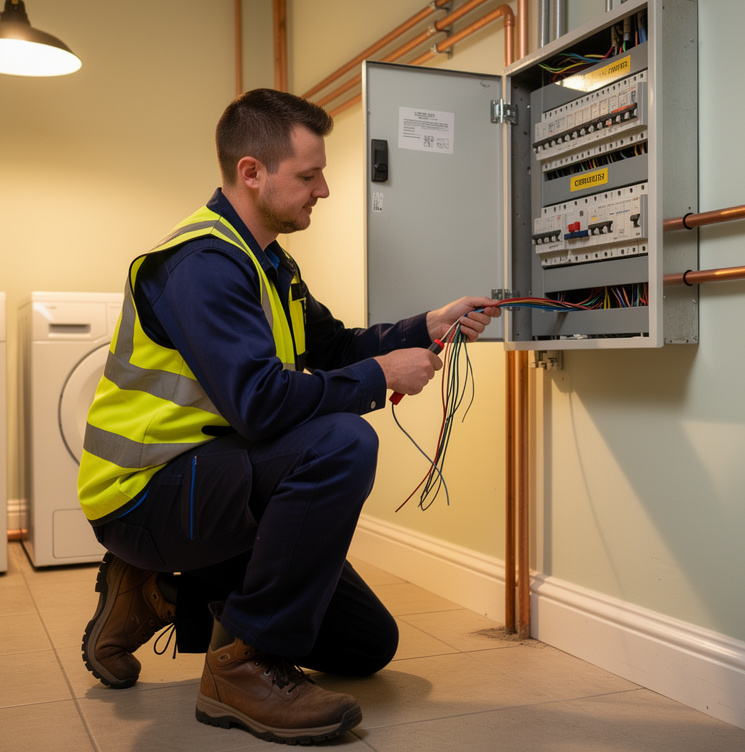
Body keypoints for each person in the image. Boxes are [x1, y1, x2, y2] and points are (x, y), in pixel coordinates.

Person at [76, 88, 501, 746]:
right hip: (146, 493)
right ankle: (241, 668)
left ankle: (157, 594)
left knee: (367, 645)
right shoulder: (203, 265)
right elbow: (261, 402)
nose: (324, 189)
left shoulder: (269, 263)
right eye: (309, 174)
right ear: (253, 172)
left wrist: (426, 324)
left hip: (219, 482)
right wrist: (382, 378)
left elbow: (335, 349)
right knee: (339, 442)